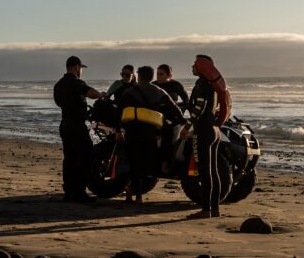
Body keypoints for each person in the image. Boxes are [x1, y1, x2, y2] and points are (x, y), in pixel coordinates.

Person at [115, 65, 185, 203]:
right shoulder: (159, 91)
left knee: (134, 162)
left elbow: (118, 112)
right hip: (150, 133)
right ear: (152, 77)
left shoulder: (129, 92)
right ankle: (137, 191)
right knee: (147, 164)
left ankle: (136, 194)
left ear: (139, 76)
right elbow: (176, 110)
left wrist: (118, 131)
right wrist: (184, 123)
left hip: (132, 131)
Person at [53, 55, 105, 202]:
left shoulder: (58, 85)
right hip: (77, 125)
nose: (81, 71)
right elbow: (91, 93)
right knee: (85, 156)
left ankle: (68, 191)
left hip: (64, 125)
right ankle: (80, 192)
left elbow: (58, 103)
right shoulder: (77, 82)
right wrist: (101, 95)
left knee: (69, 158)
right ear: (76, 67)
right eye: (81, 68)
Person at [185, 54, 223, 219]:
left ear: (201, 68)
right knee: (213, 172)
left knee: (205, 172)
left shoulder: (201, 84)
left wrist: (187, 126)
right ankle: (215, 209)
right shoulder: (212, 86)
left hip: (204, 131)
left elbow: (199, 107)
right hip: (214, 131)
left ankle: (205, 210)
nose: (192, 67)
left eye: (194, 64)